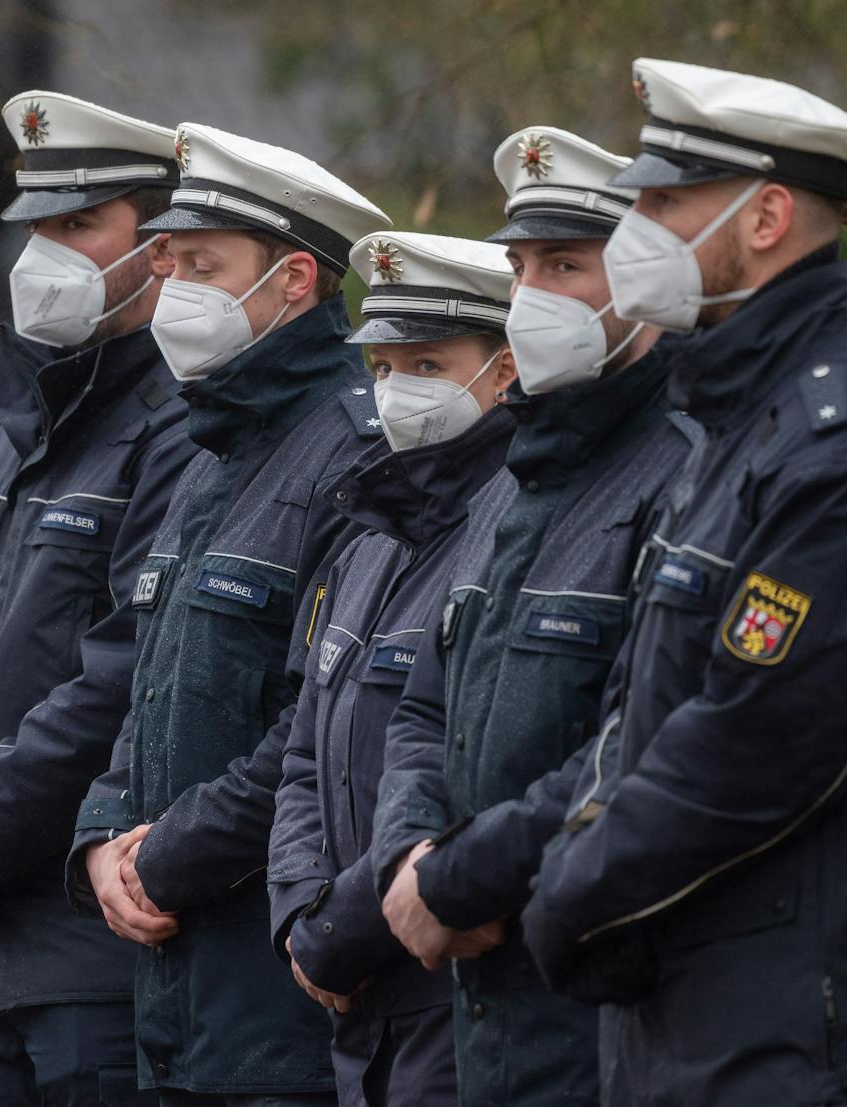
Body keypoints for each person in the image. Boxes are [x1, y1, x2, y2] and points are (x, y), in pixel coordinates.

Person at [522, 58, 847, 1105]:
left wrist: (562, 899)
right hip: (714, 1027)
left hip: (811, 1048)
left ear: (764, 218)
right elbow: (644, 709)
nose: (634, 232)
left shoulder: (845, 441)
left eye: (664, 203)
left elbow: (750, 744)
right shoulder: (737, 413)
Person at [0, 91, 193, 1107]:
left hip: (86, 945)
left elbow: (120, 671)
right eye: (38, 230)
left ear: (161, 245)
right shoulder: (24, 428)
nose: (45, 256)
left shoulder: (180, 428)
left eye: (78, 226)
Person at [368, 126, 698, 1107]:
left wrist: (457, 880)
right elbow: (424, 709)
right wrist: (409, 857)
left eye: (564, 265)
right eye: (518, 269)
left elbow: (637, 735)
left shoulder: (683, 463)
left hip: (594, 998)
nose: (530, 298)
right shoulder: (515, 482)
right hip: (479, 1012)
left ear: (640, 277)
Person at [66, 121, 392, 1106]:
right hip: (172, 987)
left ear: (293, 280)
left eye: (203, 267)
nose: (175, 296)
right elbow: (150, 673)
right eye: (170, 267)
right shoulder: (215, 451)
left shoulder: (355, 451)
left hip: (272, 989)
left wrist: (168, 852)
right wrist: (103, 831)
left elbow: (319, 722)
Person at [265, 232, 517, 1105]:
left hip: (445, 987)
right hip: (356, 1010)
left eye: (428, 363)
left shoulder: (508, 525)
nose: (397, 389)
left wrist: (344, 926)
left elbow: (469, 765)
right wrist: (301, 914)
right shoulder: (370, 530)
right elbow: (304, 751)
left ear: (505, 371)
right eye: (384, 364)